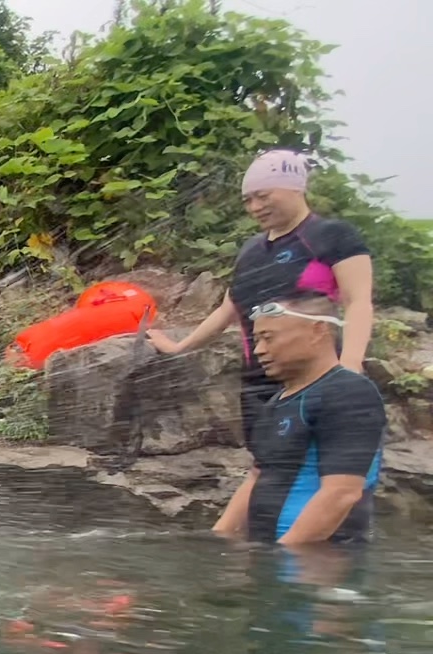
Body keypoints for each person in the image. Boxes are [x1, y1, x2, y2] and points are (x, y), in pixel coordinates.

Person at [147, 149, 375, 434]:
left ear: (295, 188)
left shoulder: (333, 235)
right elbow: (228, 310)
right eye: (248, 200)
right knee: (267, 469)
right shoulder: (251, 249)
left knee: (324, 473)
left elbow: (358, 302)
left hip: (317, 381)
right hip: (258, 387)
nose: (255, 207)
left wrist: (350, 365)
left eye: (263, 196)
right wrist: (178, 347)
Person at [212, 295, 384, 546]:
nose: (259, 349)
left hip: (319, 563)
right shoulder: (277, 402)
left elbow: (342, 493)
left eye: (269, 338)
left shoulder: (348, 392)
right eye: (257, 339)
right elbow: (257, 477)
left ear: (318, 330)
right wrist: (220, 540)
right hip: (269, 555)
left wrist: (284, 554)